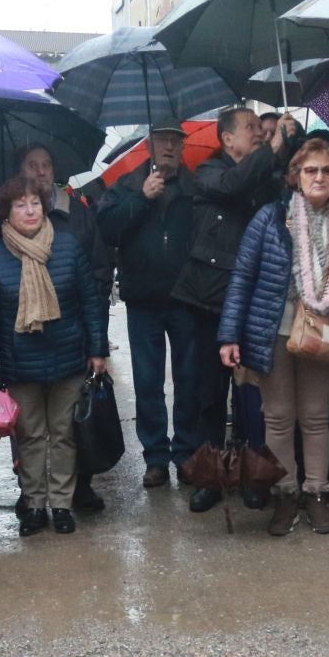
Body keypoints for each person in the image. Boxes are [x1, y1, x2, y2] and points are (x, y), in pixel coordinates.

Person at [218, 138, 329, 535]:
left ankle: (316, 493)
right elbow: (242, 277)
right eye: (310, 170)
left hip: (323, 330)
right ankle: (285, 494)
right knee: (277, 418)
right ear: (295, 176)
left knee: (315, 416)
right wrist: (229, 335)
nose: (319, 177)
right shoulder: (270, 218)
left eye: (327, 170)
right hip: (273, 329)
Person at [0, 144, 113, 512]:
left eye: (35, 204)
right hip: (21, 364)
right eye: (20, 205)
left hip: (68, 357)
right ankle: (34, 503)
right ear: (6, 212)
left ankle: (62, 505)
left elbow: (89, 303)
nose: (30, 210)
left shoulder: (66, 246)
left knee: (65, 435)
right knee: (31, 436)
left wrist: (98, 350)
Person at [177, 106, 301, 512]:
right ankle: (210, 479)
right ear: (227, 139)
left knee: (252, 398)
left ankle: (253, 474)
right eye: (250, 128)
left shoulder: (265, 177)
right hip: (209, 302)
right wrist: (274, 148)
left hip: (252, 305)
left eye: (259, 129)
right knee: (208, 396)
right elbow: (232, 185)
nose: (258, 134)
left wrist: (288, 149)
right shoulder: (210, 173)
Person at [99, 124, 202, 491]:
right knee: (147, 381)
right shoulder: (126, 185)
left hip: (185, 299)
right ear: (148, 146)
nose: (170, 146)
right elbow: (106, 230)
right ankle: (156, 457)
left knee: (189, 380)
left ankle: (187, 452)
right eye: (162, 140)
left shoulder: (194, 187)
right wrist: (141, 198)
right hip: (143, 299)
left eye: (176, 140)